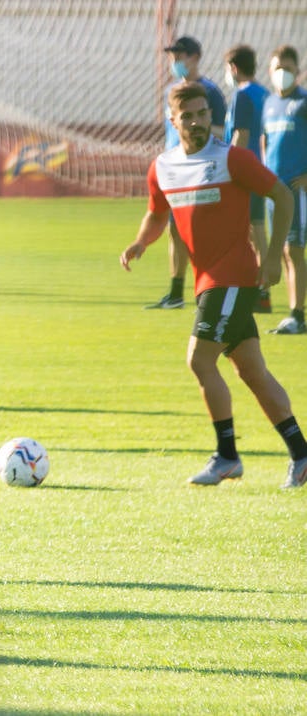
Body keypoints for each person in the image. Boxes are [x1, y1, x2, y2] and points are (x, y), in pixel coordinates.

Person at [120, 80, 307, 488]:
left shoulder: (233, 159)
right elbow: (156, 213)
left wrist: (273, 256)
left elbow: (284, 196)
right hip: (209, 282)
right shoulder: (163, 167)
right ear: (173, 121)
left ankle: (227, 457)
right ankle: (302, 454)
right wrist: (140, 242)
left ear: (211, 116)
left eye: (203, 114)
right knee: (253, 372)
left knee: (199, 360)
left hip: (234, 276)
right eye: (187, 116)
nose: (197, 122)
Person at [147, 36, 227, 310]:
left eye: (179, 56)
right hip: (175, 170)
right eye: (172, 56)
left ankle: (212, 288)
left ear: (194, 57)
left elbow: (222, 132)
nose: (174, 61)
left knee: (202, 232)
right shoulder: (172, 90)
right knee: (175, 230)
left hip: (202, 169)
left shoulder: (209, 92)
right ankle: (176, 292)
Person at [261, 45, 307, 334]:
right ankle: (293, 312)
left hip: (295, 190)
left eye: (288, 69)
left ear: (297, 72)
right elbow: (266, 141)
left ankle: (297, 315)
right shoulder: (268, 104)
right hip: (273, 189)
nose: (283, 74)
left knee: (294, 249)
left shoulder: (303, 102)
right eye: (278, 68)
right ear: (270, 70)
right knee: (282, 250)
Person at [224, 44, 273, 313]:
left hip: (246, 172)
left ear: (233, 68)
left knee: (252, 233)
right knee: (258, 231)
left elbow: (240, 136)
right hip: (264, 168)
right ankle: (260, 291)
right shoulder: (265, 93)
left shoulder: (241, 96)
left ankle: (259, 292)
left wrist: (230, 168)